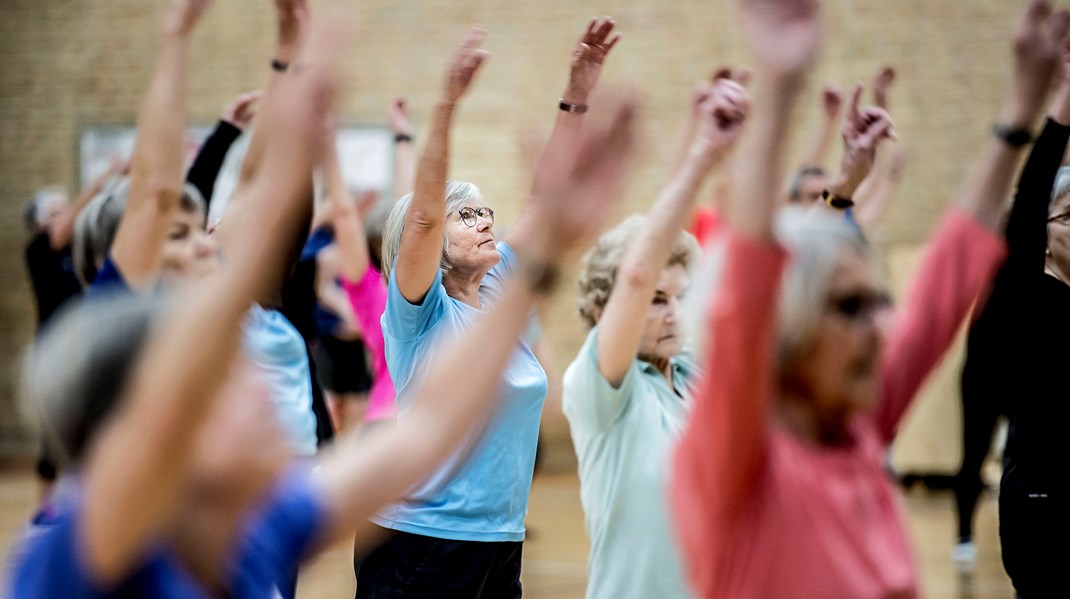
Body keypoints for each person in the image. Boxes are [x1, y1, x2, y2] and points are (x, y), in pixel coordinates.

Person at [7, 8, 641, 597]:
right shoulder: (84, 552)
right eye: (224, 384)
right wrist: (410, 105)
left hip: (492, 542)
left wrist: (569, 145)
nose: (264, 390)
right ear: (150, 426)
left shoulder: (261, 535)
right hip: (425, 551)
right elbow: (191, 207)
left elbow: (427, 429)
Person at [669, 0, 1062, 597]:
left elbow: (949, 273)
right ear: (788, 329)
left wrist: (1024, 109)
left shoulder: (861, 428)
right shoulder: (739, 454)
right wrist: (778, 87)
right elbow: (744, 297)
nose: (882, 325)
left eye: (879, 303)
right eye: (852, 307)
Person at [355, 17, 622, 597]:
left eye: (484, 211)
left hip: (497, 541)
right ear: (427, 244)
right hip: (417, 543)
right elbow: (423, 214)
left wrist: (577, 92)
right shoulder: (419, 312)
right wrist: (447, 107)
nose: (484, 221)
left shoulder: (498, 288)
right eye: (465, 216)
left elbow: (547, 200)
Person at [562, 77, 746, 599]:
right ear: (606, 310)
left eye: (677, 299)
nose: (672, 314)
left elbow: (762, 273)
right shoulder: (602, 388)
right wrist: (703, 155)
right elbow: (640, 270)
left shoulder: (691, 372)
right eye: (655, 303)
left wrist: (838, 194)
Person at [955, 22, 1070, 593]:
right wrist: (1059, 107)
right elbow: (1027, 204)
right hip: (1041, 505)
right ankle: (961, 532)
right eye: (1069, 218)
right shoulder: (1027, 287)